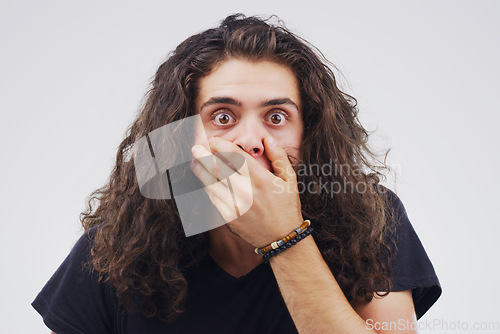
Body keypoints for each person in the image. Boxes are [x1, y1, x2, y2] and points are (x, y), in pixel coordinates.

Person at [32, 14, 441, 333]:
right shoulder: (119, 242)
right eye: (223, 116)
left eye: (276, 116)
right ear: (181, 133)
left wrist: (285, 239)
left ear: (310, 131)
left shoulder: (373, 217)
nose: (251, 140)